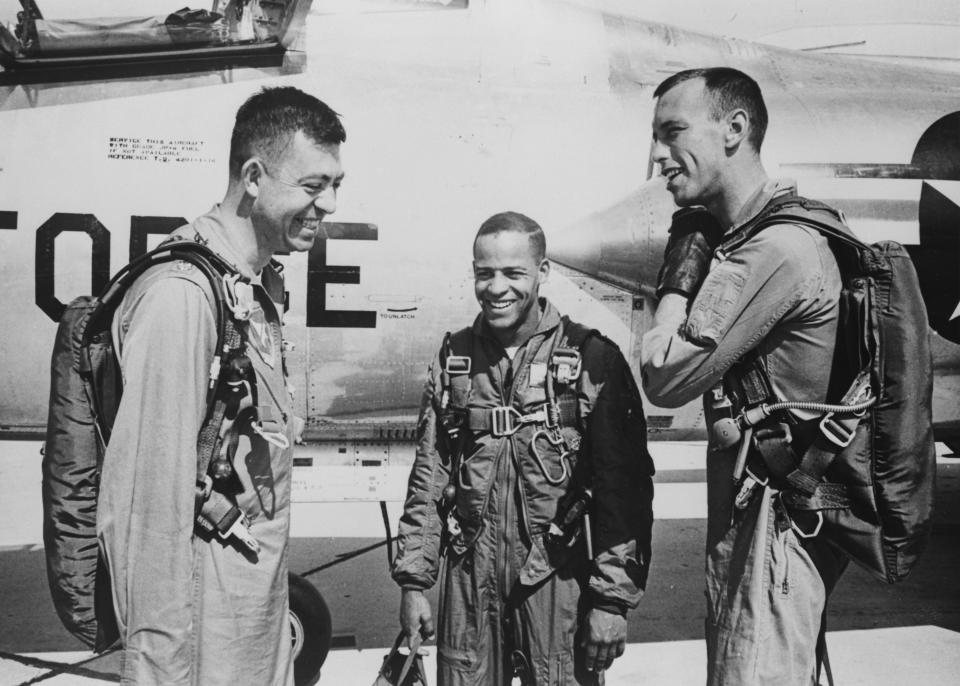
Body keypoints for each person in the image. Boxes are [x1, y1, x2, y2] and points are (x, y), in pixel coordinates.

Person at [96, 86, 345, 685]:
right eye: (313, 186)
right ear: (254, 175)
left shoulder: (250, 287)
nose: (330, 204)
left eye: (337, 184)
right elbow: (146, 510)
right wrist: (159, 671)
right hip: (204, 637)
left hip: (249, 623)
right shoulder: (183, 297)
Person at [640, 67, 848, 685]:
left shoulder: (771, 249)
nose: (657, 156)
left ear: (734, 129)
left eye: (673, 131)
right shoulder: (767, 234)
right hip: (769, 515)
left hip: (773, 527)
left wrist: (681, 273)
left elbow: (665, 376)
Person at [392, 211, 654, 685]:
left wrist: (612, 600)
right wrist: (414, 583)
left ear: (543, 273)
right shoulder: (455, 360)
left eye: (513, 273)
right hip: (470, 581)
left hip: (555, 579)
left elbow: (624, 491)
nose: (496, 288)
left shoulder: (593, 359)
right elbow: (429, 477)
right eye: (484, 273)